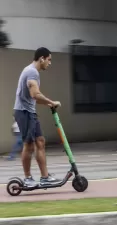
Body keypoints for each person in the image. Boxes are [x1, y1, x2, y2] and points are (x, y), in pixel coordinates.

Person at [13, 47, 62, 187]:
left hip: (29, 111)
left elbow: (34, 98)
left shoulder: (31, 71)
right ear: (42, 58)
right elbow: (35, 94)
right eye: (49, 59)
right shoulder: (32, 72)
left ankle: (45, 177)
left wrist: (48, 104)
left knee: (40, 141)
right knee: (28, 145)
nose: (49, 63)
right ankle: (28, 179)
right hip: (24, 112)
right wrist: (52, 102)